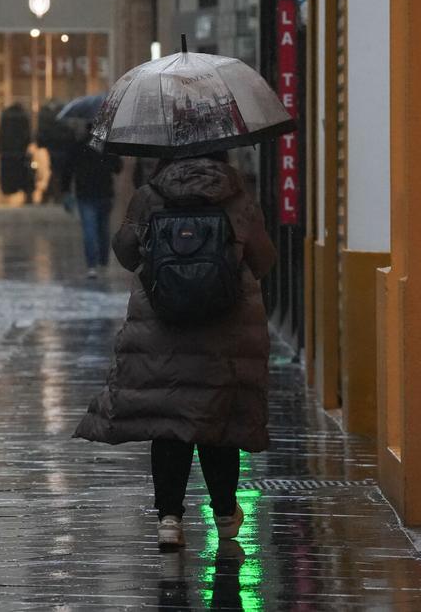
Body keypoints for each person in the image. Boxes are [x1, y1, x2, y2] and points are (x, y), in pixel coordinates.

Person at [72, 152, 276, 549]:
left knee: (168, 422)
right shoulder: (237, 197)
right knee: (218, 419)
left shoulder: (149, 197)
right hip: (224, 328)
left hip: (161, 326)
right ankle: (224, 513)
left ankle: (169, 518)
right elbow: (263, 258)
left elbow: (126, 252)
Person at [61, 124, 123, 278]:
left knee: (90, 230)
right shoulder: (106, 147)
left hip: (85, 193)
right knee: (103, 229)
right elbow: (118, 167)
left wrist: (66, 191)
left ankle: (92, 265)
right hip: (104, 193)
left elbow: (67, 170)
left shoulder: (79, 147)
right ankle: (103, 261)